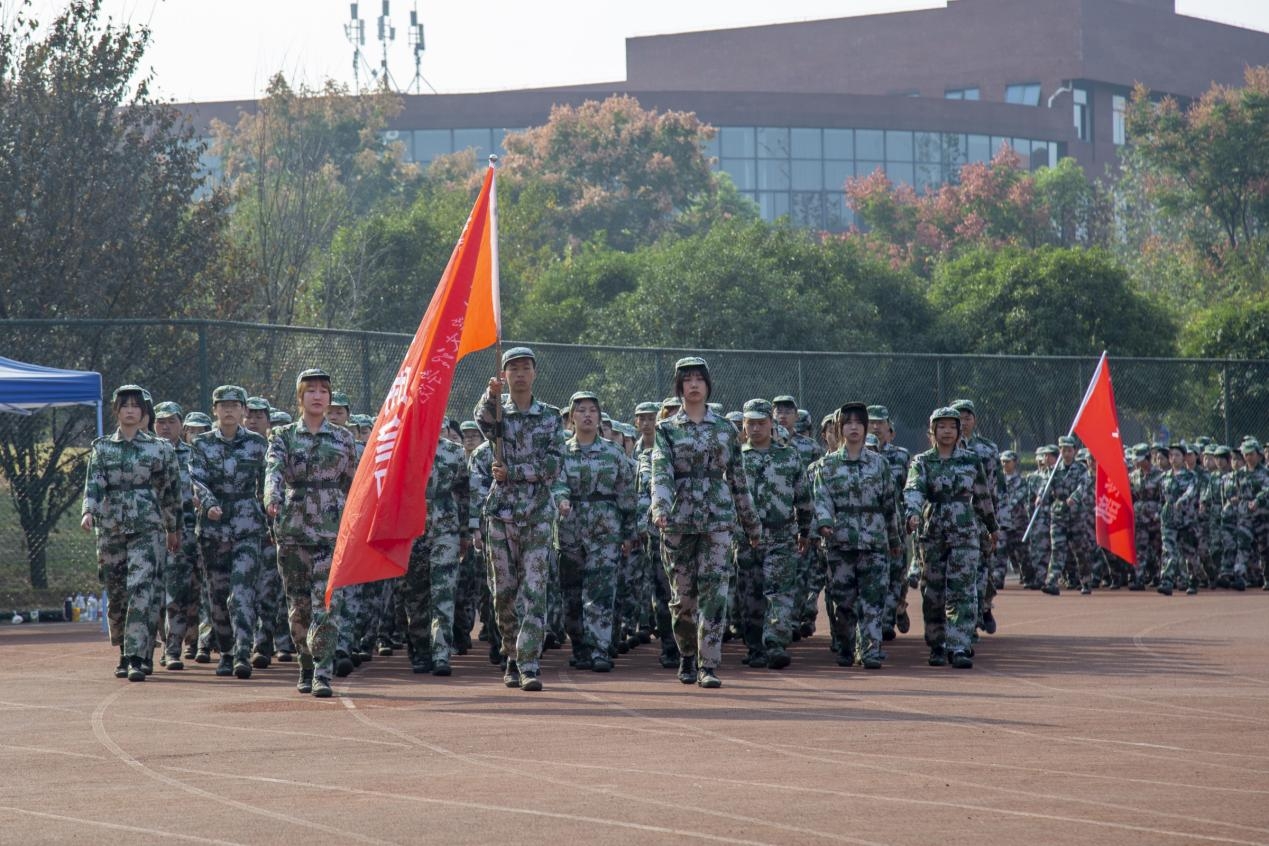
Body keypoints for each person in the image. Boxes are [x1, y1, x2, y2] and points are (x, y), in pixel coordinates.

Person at [650, 357, 759, 689]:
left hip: (717, 521)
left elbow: (738, 480)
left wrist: (751, 525)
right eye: (687, 379)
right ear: (679, 387)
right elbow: (661, 472)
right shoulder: (666, 430)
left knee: (714, 595)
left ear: (708, 385)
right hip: (678, 521)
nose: (694, 384)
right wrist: (660, 507)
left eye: (699, 378)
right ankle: (687, 653)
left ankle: (708, 664)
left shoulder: (725, 429)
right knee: (683, 599)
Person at [473, 346, 566, 692]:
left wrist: (514, 472)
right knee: (503, 592)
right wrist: (490, 395)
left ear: (535, 373)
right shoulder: (498, 412)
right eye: (513, 368)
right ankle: (511, 652)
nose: (521, 373)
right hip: (501, 515)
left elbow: (554, 465)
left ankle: (528, 662)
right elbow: (482, 421)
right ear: (505, 375)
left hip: (537, 513)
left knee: (534, 591)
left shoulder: (550, 416)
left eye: (526, 367)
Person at [264, 369, 359, 697]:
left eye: (323, 391)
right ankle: (305, 663)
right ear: (300, 397)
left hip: (332, 532)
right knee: (299, 606)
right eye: (311, 390)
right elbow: (274, 470)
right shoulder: (283, 435)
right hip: (293, 529)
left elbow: (354, 482)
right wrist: (272, 497)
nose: (318, 396)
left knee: (327, 604)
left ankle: (322, 671)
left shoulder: (343, 438)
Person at [80, 385, 181, 681]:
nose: (130, 410)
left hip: (147, 527)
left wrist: (173, 528)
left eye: (136, 406)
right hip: (111, 528)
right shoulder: (102, 448)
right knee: (117, 593)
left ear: (144, 412)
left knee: (141, 587)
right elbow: (94, 482)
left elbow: (170, 491)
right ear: (116, 410)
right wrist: (88, 511)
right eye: (125, 405)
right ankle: (125, 650)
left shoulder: (159, 448)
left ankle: (137, 656)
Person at [903, 406, 997, 669]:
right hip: (933, 532)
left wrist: (992, 527)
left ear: (959, 431)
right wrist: (912, 513)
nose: (947, 431)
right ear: (932, 431)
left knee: (963, 590)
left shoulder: (971, 461)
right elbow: (913, 489)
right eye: (941, 426)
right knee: (933, 592)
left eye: (951, 427)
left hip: (965, 532)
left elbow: (983, 497)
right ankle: (937, 645)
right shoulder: (922, 462)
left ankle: (959, 646)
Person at [189, 385, 269, 680]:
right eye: (223, 405)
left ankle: (243, 652)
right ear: (215, 410)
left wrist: (270, 513)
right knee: (218, 594)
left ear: (243, 410)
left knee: (241, 592)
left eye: (235, 405)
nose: (229, 410)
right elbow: (196, 478)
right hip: (213, 529)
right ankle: (226, 651)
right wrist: (209, 502)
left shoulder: (258, 444)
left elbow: (267, 481)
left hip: (248, 527)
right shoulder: (202, 444)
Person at [553, 392, 636, 672]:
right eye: (581, 410)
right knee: (572, 593)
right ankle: (580, 647)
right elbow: (556, 482)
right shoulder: (562, 452)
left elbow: (626, 493)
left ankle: (600, 649)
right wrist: (561, 499)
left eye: (592, 410)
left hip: (605, 531)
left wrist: (629, 532)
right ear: (571, 418)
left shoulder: (613, 452)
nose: (587, 415)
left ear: (599, 417)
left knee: (601, 591)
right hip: (571, 531)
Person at [813, 402, 898, 669]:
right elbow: (821, 499)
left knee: (873, 600)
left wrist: (894, 539)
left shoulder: (879, 464)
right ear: (840, 428)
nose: (853, 428)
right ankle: (846, 646)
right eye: (848, 423)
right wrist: (825, 523)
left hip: (874, 542)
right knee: (843, 601)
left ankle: (870, 650)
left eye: (858, 423)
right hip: (840, 543)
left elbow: (889, 504)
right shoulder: (827, 465)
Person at [736, 398, 811, 670]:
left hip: (781, 535)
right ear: (744, 426)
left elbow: (803, 496)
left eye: (761, 423)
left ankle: (775, 642)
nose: (756, 428)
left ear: (771, 424)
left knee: (779, 592)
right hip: (746, 538)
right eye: (751, 423)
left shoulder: (789, 456)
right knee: (750, 594)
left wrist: (805, 529)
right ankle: (755, 647)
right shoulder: (736, 458)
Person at [401, 420, 470, 676]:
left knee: (444, 591)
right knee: (415, 594)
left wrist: (464, 532)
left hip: (445, 529)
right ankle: (421, 650)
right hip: (412, 529)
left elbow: (464, 494)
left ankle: (441, 653)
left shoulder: (454, 452)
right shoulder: (402, 451)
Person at [152, 401, 200, 671]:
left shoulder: (193, 456)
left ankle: (172, 650)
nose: (165, 427)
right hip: (148, 533)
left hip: (183, 535)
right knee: (153, 594)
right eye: (161, 422)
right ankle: (158, 641)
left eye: (171, 421)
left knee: (177, 593)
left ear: (181, 425)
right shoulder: (147, 453)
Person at [1040, 436, 1089, 596]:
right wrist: (1040, 496)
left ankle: (1086, 582)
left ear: (1074, 451)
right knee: (1057, 548)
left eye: (1069, 450)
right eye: (1063, 450)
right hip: (1058, 514)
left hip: (1076, 515)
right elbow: (1045, 485)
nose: (1066, 453)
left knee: (1079, 550)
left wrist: (1075, 497)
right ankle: (1051, 582)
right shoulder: (1054, 469)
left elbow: (1084, 485)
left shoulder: (1081, 469)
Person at [1159, 443, 1201, 596]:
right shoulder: (1164, 477)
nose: (1173, 458)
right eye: (1171, 455)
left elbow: (1191, 492)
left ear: (1183, 458)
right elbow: (1161, 498)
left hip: (1186, 519)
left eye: (1177, 455)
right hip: (1169, 519)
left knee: (1190, 553)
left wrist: (1182, 500)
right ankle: (1167, 581)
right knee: (1169, 550)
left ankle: (1193, 580)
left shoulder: (1191, 476)